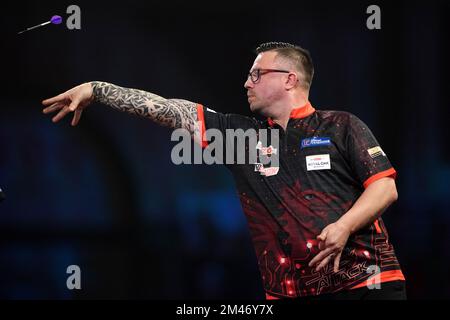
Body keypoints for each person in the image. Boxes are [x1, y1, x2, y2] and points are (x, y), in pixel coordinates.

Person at [42, 42, 406, 300]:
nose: (247, 83)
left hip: (368, 284)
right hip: (292, 292)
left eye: (256, 74)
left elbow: (385, 189)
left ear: (290, 79)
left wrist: (343, 227)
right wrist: (98, 89)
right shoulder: (241, 137)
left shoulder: (341, 125)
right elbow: (170, 110)